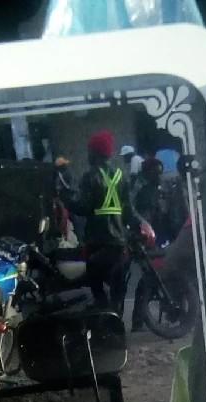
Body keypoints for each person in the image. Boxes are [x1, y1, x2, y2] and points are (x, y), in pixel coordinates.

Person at [77, 129, 140, 316]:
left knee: (93, 275)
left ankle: (103, 311)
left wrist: (65, 197)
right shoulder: (120, 176)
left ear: (95, 153)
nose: (88, 155)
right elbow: (128, 210)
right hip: (119, 241)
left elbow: (83, 207)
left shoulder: (90, 176)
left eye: (90, 151)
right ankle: (116, 318)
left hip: (98, 240)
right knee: (118, 283)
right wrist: (141, 224)